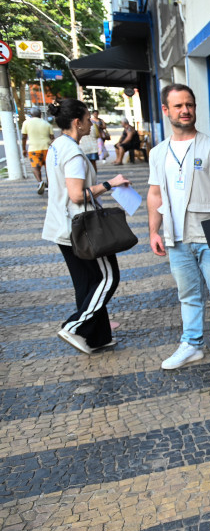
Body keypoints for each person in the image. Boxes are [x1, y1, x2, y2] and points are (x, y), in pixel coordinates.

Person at [146, 83, 210, 372]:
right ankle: (192, 345)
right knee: (187, 294)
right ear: (166, 111)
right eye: (178, 106)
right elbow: (154, 194)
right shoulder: (158, 153)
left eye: (189, 104)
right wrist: (153, 231)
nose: (185, 110)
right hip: (175, 235)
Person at [41, 99, 131, 354]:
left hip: (63, 227)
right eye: (88, 118)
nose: (91, 122)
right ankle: (75, 327)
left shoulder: (57, 145)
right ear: (76, 122)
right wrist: (110, 183)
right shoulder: (73, 153)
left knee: (86, 282)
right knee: (107, 277)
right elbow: (77, 195)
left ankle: (97, 336)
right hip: (82, 229)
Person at [21, 106, 54, 194]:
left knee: (35, 167)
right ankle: (49, 184)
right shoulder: (47, 124)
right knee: (48, 168)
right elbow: (52, 138)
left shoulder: (26, 123)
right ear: (40, 114)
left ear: (31, 114)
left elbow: (24, 137)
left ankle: (40, 182)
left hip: (33, 149)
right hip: (47, 149)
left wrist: (24, 149)